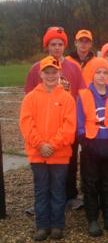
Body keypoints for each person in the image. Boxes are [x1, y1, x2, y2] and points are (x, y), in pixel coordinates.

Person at [24, 26, 85, 213]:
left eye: (60, 44)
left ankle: (69, 196)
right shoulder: (37, 68)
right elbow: (29, 97)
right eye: (53, 44)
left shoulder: (73, 67)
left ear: (65, 46)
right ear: (47, 46)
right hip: (43, 127)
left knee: (70, 162)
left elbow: (81, 95)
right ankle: (43, 201)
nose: (57, 47)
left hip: (67, 125)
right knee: (42, 167)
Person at [19, 56, 76, 241]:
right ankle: (42, 225)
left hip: (59, 154)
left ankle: (57, 225)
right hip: (38, 154)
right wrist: (40, 144)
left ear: (60, 74)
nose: (51, 75)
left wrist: (52, 145)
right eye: (47, 72)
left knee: (58, 190)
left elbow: (69, 126)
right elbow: (26, 124)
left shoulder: (67, 98)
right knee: (41, 190)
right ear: (40, 74)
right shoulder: (30, 98)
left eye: (54, 72)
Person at [77, 58, 108, 237]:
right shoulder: (83, 95)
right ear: (93, 74)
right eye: (98, 72)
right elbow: (80, 123)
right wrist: (86, 143)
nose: (102, 76)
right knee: (91, 185)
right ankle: (92, 220)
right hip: (91, 146)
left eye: (105, 72)